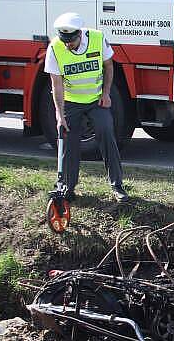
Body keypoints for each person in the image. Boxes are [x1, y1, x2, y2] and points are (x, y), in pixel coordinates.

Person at [44, 12, 128, 203]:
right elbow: (56, 84)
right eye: (64, 40)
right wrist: (59, 114)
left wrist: (106, 93)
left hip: (95, 100)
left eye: (70, 42)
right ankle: (67, 187)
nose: (67, 45)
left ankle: (117, 186)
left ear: (79, 34)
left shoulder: (98, 38)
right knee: (68, 141)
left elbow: (109, 66)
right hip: (71, 102)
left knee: (106, 131)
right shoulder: (55, 48)